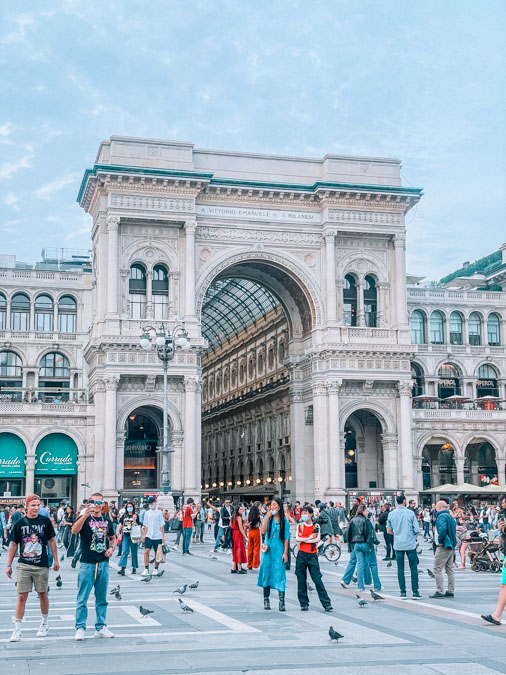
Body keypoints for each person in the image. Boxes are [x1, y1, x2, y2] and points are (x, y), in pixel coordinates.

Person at [6, 494, 59, 642]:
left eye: (38, 505)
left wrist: (56, 559)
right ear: (26, 506)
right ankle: (17, 629)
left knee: (42, 593)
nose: (36, 508)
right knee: (22, 595)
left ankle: (44, 623)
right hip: (24, 563)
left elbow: (52, 540)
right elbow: (13, 544)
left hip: (41, 564)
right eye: (33, 505)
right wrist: (9, 564)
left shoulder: (45, 522)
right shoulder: (20, 523)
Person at [72, 492, 116, 640]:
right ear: (88, 503)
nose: (96, 505)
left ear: (103, 505)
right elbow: (74, 530)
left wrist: (112, 548)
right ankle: (80, 627)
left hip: (103, 563)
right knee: (82, 598)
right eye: (93, 502)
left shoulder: (106, 521)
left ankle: (101, 626)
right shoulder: (84, 519)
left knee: (102, 598)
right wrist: (85, 515)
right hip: (87, 564)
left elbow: (112, 537)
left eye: (99, 503)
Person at [295, 506, 333, 612]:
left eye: (306, 513)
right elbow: (298, 538)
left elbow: (316, 539)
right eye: (302, 513)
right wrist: (309, 538)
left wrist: (305, 539)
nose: (304, 515)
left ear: (311, 514)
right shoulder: (300, 526)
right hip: (301, 555)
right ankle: (303, 603)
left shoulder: (316, 526)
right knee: (301, 580)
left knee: (317, 580)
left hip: (312, 555)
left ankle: (326, 603)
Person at [257, 497, 290, 611]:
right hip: (268, 551)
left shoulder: (284, 520)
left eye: (275, 505)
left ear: (279, 507)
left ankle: (282, 602)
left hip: (279, 550)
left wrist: (285, 553)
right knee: (267, 573)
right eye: (271, 505)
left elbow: (286, 538)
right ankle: (266, 600)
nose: (272, 507)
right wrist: (267, 518)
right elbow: (263, 531)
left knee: (280, 575)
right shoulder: (268, 518)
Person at [387, 494, 422, 599]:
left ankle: (403, 592)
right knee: (413, 567)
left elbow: (388, 530)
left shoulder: (391, 514)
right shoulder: (410, 513)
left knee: (400, 568)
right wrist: (411, 535)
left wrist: (397, 533)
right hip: (410, 544)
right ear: (404, 501)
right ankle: (415, 592)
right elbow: (416, 529)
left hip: (398, 544)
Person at [481, 495, 506, 625]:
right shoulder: (502, 516)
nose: (503, 504)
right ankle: (497, 615)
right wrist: (501, 541)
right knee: (503, 585)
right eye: (502, 503)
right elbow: (502, 534)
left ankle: (497, 615)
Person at [346, 504, 382, 592]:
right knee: (373, 564)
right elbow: (370, 534)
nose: (368, 512)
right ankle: (377, 585)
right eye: (366, 511)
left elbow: (347, 534)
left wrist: (351, 546)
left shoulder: (352, 520)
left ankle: (360, 587)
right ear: (362, 511)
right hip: (366, 543)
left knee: (360, 565)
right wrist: (372, 545)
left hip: (356, 545)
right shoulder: (366, 521)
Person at [430, 500, 457, 598]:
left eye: (436, 508)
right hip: (451, 545)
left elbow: (442, 530)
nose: (435, 509)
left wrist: (440, 541)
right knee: (449, 568)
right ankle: (450, 590)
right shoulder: (450, 516)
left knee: (437, 568)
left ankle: (440, 591)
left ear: (439, 508)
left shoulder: (441, 516)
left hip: (444, 545)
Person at [141, 497, 165, 574]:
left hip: (157, 535)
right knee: (146, 551)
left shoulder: (159, 513)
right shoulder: (147, 513)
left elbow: (162, 525)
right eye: (149, 504)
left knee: (157, 553)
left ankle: (156, 568)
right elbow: (146, 525)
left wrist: (163, 535)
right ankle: (146, 568)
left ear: (155, 503)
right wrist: (144, 535)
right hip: (149, 535)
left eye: (152, 503)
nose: (151, 505)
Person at [117, 502, 139, 575]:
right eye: (128, 506)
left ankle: (134, 567)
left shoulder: (136, 515)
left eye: (131, 506)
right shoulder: (124, 515)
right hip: (126, 535)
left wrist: (135, 520)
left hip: (133, 535)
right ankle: (123, 568)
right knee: (125, 551)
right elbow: (121, 524)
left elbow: (138, 525)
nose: (129, 508)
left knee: (134, 552)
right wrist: (118, 531)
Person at [231, 504, 247, 574]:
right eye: (240, 509)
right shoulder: (239, 518)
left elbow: (231, 526)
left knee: (235, 550)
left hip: (233, 533)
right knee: (239, 550)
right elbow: (241, 529)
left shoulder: (232, 517)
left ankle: (233, 568)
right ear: (237, 510)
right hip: (238, 534)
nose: (242, 510)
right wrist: (246, 537)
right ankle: (239, 569)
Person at [247, 502, 261, 571]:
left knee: (250, 548)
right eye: (260, 506)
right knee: (256, 547)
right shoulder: (258, 515)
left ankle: (249, 564)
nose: (260, 508)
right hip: (256, 530)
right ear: (258, 506)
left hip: (250, 531)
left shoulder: (250, 514)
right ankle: (255, 564)